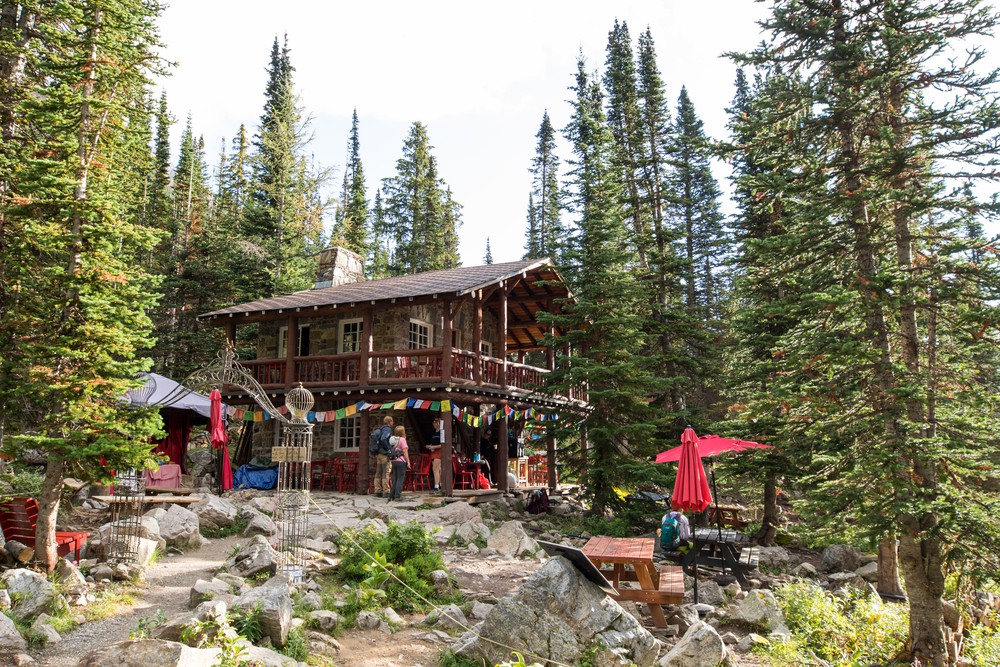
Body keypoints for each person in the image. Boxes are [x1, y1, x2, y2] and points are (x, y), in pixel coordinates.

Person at [387, 425, 410, 502]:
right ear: (402, 432)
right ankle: (397, 496)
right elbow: (405, 451)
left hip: (394, 461)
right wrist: (408, 462)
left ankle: (391, 495)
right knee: (400, 479)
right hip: (401, 461)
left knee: (395, 479)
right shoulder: (402, 440)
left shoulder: (392, 439)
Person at [373, 415, 393, 498]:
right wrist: (388, 449)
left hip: (378, 454)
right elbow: (383, 439)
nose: (392, 423)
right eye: (392, 421)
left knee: (378, 472)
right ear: (389, 422)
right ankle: (386, 491)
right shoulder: (387, 429)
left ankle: (377, 490)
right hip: (384, 454)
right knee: (386, 472)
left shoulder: (380, 429)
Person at [426, 417, 444, 492]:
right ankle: (439, 484)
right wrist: (430, 446)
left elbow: (443, 444)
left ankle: (436, 486)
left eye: (434, 423)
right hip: (433, 451)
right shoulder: (434, 432)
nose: (433, 424)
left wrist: (434, 447)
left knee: (435, 469)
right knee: (438, 469)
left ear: (438, 423)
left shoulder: (441, 432)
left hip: (439, 451)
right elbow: (434, 442)